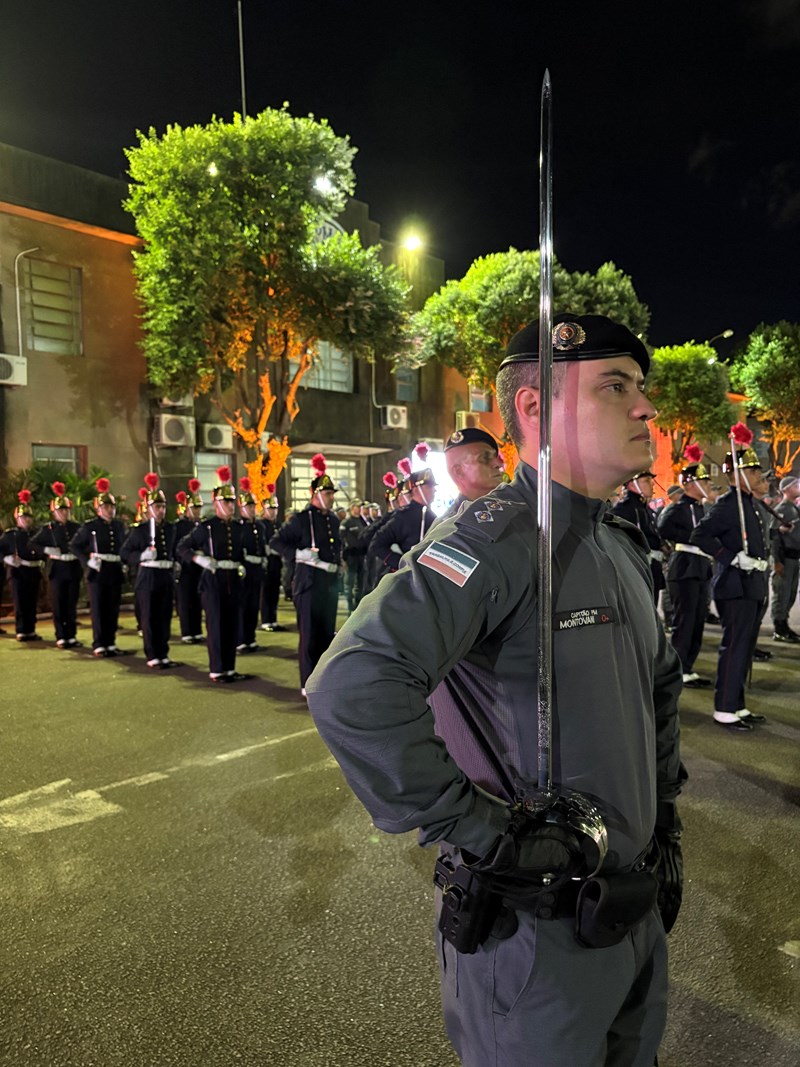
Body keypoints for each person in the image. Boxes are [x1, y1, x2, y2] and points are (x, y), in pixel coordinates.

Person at [307, 313, 684, 1067]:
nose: (645, 407)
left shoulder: (619, 542)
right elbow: (352, 684)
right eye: (617, 386)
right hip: (538, 934)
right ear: (534, 409)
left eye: (642, 387)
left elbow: (659, 691)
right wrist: (485, 834)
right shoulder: (497, 540)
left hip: (634, 912)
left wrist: (665, 818)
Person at [690, 424, 770, 730]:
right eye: (750, 472)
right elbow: (700, 535)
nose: (755, 477)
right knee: (734, 648)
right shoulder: (727, 506)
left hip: (751, 587)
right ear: (736, 476)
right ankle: (724, 707)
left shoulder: (750, 505)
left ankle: (737, 704)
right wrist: (732, 557)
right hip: (734, 587)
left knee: (745, 648)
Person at [271, 453, 341, 696]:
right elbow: (276, 542)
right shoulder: (301, 520)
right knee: (310, 636)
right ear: (316, 494)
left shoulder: (332, 519)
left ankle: (322, 678)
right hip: (308, 584)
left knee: (325, 634)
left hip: (329, 585)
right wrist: (299, 554)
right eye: (328, 494)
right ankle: (308, 683)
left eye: (332, 494)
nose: (331, 498)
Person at [176, 466, 249, 684]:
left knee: (232, 624)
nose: (230, 505)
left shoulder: (238, 527)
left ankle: (230, 668)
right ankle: (217, 669)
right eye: (226, 501)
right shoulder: (206, 527)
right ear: (216, 503)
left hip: (233, 580)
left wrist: (242, 564)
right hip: (213, 581)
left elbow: (240, 551)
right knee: (216, 625)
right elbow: (182, 547)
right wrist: (200, 559)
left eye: (232, 501)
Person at [656, 447, 713, 687]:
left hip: (700, 567)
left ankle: (688, 666)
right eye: (704, 482)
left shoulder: (701, 508)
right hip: (685, 567)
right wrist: (690, 537)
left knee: (698, 620)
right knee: (685, 621)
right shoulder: (678, 508)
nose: (708, 486)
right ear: (690, 484)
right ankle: (678, 668)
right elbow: (663, 528)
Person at [120, 473, 180, 669]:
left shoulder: (171, 529)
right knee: (149, 617)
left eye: (163, 506)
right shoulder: (140, 530)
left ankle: (163, 653)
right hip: (148, 577)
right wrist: (142, 556)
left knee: (164, 616)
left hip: (165, 575)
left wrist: (176, 562)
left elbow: (175, 549)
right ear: (148, 508)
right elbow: (125, 552)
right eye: (157, 507)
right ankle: (152, 654)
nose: (161, 510)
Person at [70, 478, 129, 657]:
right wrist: (87, 560)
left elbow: (124, 545)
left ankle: (110, 643)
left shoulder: (119, 526)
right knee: (99, 608)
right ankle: (99, 643)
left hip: (114, 569)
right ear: (99, 509)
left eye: (112, 507)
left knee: (112, 608)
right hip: (98, 570)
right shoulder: (90, 527)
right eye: (106, 507)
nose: (110, 510)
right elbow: (75, 546)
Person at [30, 482, 83, 648]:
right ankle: (61, 635)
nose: (64, 513)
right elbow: (32, 544)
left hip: (73, 567)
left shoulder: (77, 527)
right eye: (61, 510)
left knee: (71, 603)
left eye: (66, 510)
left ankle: (71, 635)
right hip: (57, 568)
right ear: (54, 512)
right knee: (59, 603)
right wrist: (47, 549)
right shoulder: (48, 529)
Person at [369, 462, 437, 577]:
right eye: (429, 486)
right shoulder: (403, 517)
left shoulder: (432, 516)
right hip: (409, 580)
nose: (434, 490)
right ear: (415, 491)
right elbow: (377, 544)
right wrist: (402, 564)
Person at [612, 471, 666, 606]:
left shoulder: (643, 508)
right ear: (632, 484)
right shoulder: (625, 510)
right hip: (638, 572)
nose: (652, 484)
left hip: (651, 569)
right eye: (646, 481)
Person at [434, 427, 506, 525]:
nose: (498, 464)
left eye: (494, 457)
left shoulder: (508, 504)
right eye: (485, 458)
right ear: (458, 471)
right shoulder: (451, 527)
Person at [0, 490, 45, 641]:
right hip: (18, 572)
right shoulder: (9, 534)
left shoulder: (37, 533)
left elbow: (42, 550)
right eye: (23, 517)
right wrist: (6, 558)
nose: (26, 520)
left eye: (28, 517)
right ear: (17, 518)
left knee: (32, 601)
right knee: (20, 602)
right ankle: (21, 630)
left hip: (33, 570)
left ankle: (30, 629)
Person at [236, 476, 266, 654]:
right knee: (243, 606)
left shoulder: (259, 527)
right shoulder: (239, 526)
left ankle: (250, 637)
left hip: (256, 571)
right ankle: (241, 639)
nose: (252, 509)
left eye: (253, 506)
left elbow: (260, 546)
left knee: (254, 606)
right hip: (244, 571)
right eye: (248, 506)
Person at [769, 474, 800, 642]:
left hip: (794, 557)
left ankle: (784, 625)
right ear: (787, 489)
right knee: (782, 593)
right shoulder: (782, 509)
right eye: (796, 485)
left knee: (790, 594)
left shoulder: (793, 507)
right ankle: (779, 628)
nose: (798, 488)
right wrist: (777, 561)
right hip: (785, 557)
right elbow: (774, 535)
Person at [173, 481, 205, 644]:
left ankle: (197, 630)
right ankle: (187, 631)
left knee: (198, 599)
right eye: (195, 508)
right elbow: (175, 546)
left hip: (199, 567)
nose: (197, 511)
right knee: (186, 600)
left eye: (199, 507)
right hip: (185, 567)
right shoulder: (179, 526)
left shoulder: (201, 525)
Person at [258, 485, 286, 632]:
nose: (273, 511)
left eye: (275, 508)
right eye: (271, 509)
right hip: (266, 561)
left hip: (276, 561)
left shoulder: (278, 524)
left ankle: (273, 619)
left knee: (274, 591)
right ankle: (266, 619)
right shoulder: (261, 524)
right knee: (266, 591)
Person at [340, 499, 368, 613]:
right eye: (357, 506)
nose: (359, 509)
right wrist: (342, 559)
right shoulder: (346, 523)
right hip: (350, 556)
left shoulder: (362, 521)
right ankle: (349, 605)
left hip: (362, 555)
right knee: (349, 582)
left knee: (361, 581)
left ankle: (357, 604)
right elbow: (341, 541)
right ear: (352, 508)